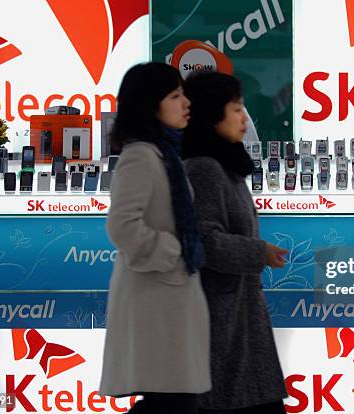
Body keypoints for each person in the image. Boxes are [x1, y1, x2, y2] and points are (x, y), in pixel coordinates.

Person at [99, 62, 210, 414]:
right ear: (151, 104)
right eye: (175, 96)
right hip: (156, 299)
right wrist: (174, 253)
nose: (186, 103)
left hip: (168, 299)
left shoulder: (165, 154)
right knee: (174, 402)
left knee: (174, 400)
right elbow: (122, 226)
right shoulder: (140, 157)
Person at [182, 72, 289, 414]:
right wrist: (259, 252)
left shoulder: (226, 166)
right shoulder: (205, 168)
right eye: (237, 109)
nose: (245, 119)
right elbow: (205, 241)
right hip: (223, 325)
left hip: (238, 318)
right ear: (213, 113)